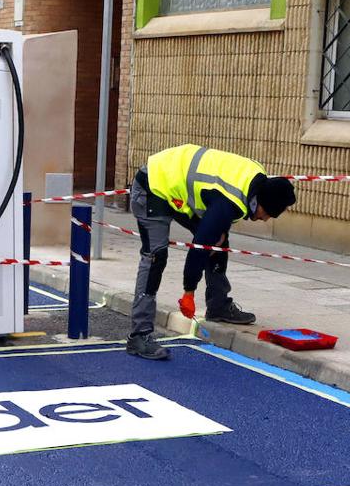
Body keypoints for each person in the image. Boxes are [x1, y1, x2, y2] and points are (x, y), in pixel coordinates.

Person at [126, 144, 297, 361]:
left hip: (177, 187)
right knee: (155, 257)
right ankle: (139, 335)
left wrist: (218, 234)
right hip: (154, 186)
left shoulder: (254, 182)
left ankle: (218, 305)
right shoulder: (232, 200)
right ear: (262, 204)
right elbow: (200, 246)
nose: (266, 219)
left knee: (219, 241)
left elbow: (216, 226)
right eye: (269, 214)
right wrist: (189, 292)